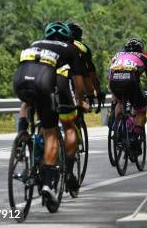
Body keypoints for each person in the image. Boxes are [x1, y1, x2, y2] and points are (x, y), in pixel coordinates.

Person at [13, 22, 86, 205]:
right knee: (52, 131)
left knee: (27, 103)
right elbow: (78, 83)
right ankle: (48, 183)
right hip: (47, 84)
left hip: (20, 81)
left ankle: (22, 138)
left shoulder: (34, 44)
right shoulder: (70, 48)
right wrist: (80, 101)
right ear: (68, 37)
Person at [108, 38, 147, 159]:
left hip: (114, 81)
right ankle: (134, 139)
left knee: (120, 102)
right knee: (141, 110)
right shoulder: (145, 58)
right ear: (141, 49)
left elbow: (109, 75)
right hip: (131, 81)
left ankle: (117, 128)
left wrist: (114, 96)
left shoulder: (117, 55)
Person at [67, 22, 104, 112]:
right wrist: (98, 92)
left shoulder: (57, 43)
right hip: (75, 79)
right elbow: (91, 74)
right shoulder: (83, 48)